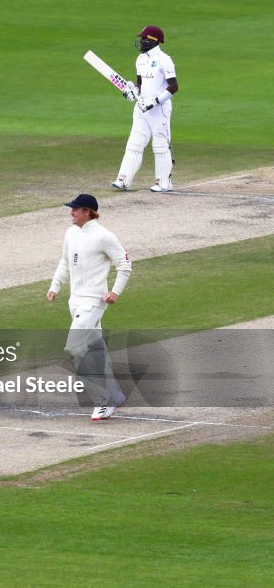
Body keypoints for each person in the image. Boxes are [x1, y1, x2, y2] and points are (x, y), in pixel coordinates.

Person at [46, 194, 131, 421]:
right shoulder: (71, 233)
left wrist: (115, 292)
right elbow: (65, 262)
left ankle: (103, 401)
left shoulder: (104, 236)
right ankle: (115, 395)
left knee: (73, 348)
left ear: (88, 212)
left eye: (75, 209)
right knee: (97, 350)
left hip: (94, 302)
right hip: (75, 302)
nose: (71, 212)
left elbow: (124, 264)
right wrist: (55, 286)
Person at [111, 25, 179, 193]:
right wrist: (132, 91)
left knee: (160, 145)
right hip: (141, 108)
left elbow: (174, 87)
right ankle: (123, 180)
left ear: (154, 41)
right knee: (134, 142)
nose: (141, 41)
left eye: (144, 38)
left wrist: (154, 101)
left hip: (159, 109)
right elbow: (141, 85)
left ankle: (164, 183)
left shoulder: (165, 60)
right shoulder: (140, 59)